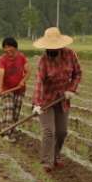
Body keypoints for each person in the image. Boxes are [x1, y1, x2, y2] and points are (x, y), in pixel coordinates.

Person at [31, 27, 81, 170]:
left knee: (61, 132)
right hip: (46, 100)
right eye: (48, 48)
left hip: (63, 99)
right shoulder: (43, 61)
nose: (51, 51)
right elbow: (39, 83)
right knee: (49, 131)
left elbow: (78, 73)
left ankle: (55, 156)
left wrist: (71, 89)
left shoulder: (70, 55)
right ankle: (47, 161)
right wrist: (37, 104)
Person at [0, 37, 28, 131]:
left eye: (9, 47)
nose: (7, 50)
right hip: (7, 89)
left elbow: (28, 71)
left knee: (16, 112)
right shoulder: (2, 59)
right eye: (5, 47)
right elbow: (0, 72)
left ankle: (12, 130)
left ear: (15, 47)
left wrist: (23, 81)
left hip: (19, 89)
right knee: (9, 108)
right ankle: (6, 132)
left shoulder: (21, 57)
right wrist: (0, 88)